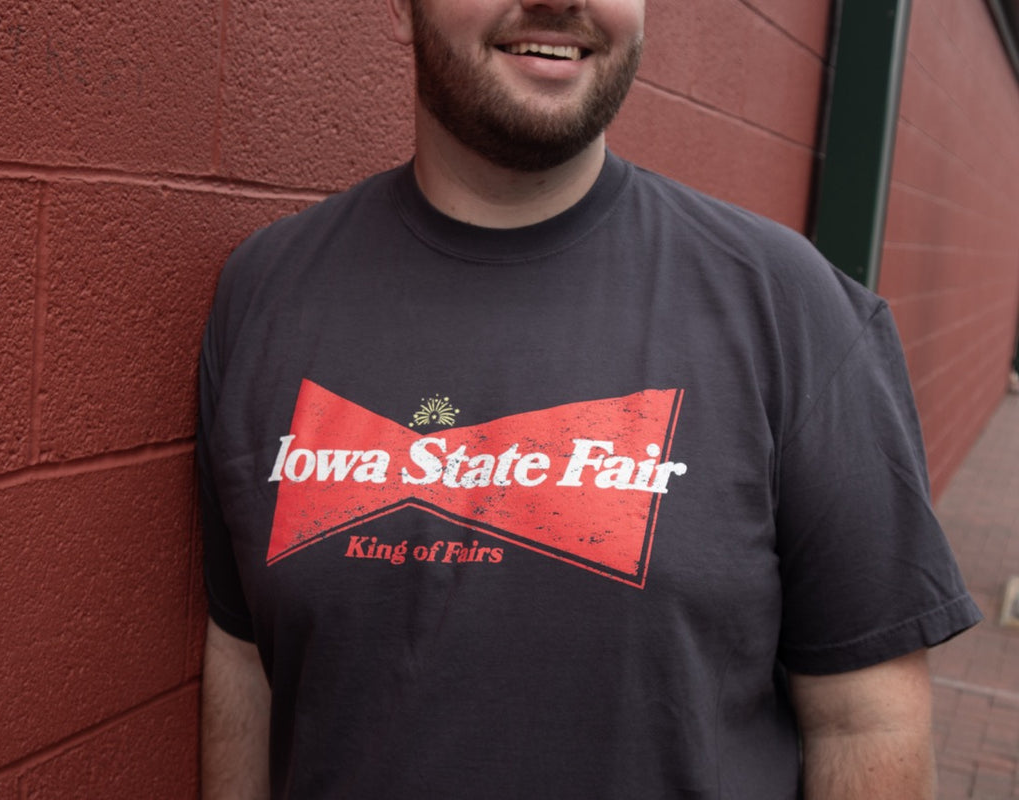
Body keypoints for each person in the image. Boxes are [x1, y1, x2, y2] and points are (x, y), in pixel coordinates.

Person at [195, 0, 982, 796]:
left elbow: (866, 721)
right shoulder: (268, 295)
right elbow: (242, 657)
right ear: (403, 9)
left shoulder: (788, 307)